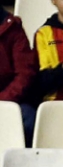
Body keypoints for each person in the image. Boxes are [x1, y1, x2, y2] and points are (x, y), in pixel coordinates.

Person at [0, 7, 37, 138]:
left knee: (29, 120)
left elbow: (24, 74)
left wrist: (3, 100)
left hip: (10, 100)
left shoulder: (13, 29)